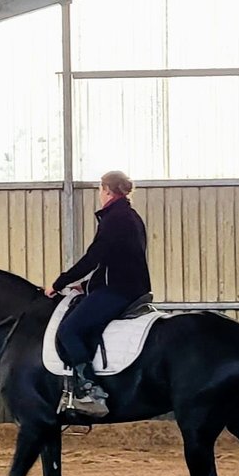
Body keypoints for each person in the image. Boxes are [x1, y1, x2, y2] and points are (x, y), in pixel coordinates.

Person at [45, 170, 151, 417]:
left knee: (69, 330)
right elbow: (115, 260)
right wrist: (87, 286)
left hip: (119, 290)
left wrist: (59, 282)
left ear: (106, 190)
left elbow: (94, 257)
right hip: (128, 285)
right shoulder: (131, 216)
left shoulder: (115, 219)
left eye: (100, 191)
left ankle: (91, 391)